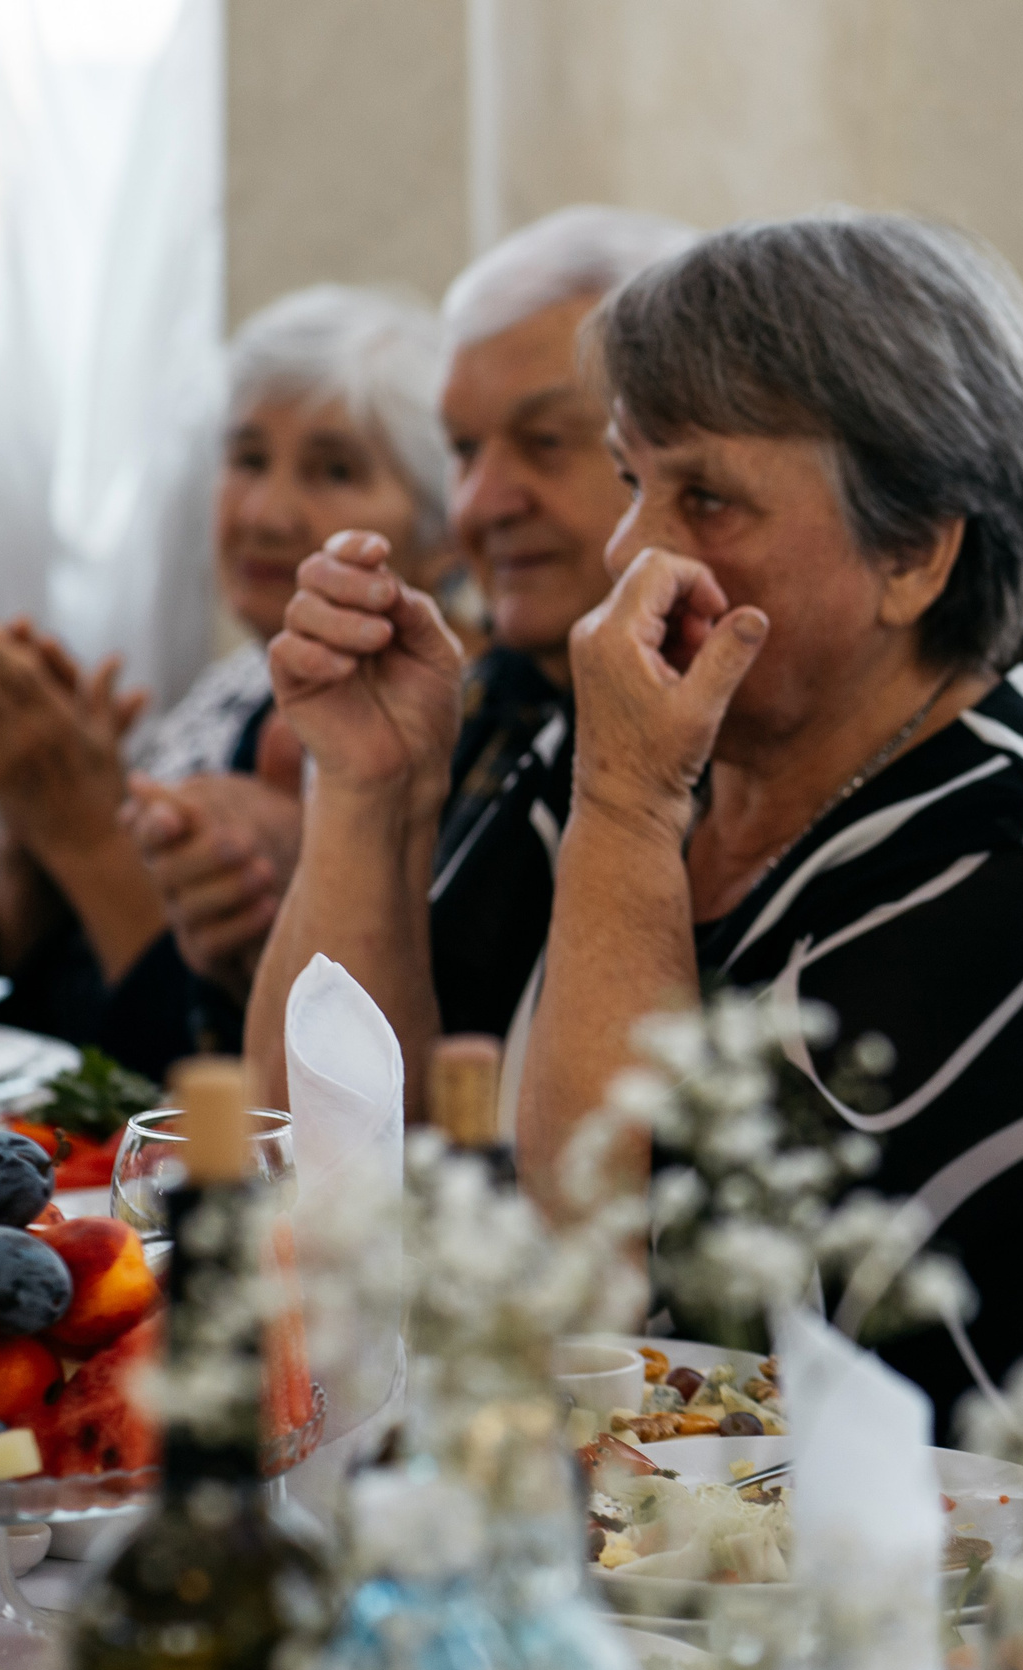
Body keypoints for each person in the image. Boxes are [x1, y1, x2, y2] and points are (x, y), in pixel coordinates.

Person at [265, 212, 1023, 1428]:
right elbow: (320, 1166)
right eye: (633, 482)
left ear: (915, 554)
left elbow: (628, 1320)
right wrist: (369, 792)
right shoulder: (655, 739)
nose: (631, 548)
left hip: (957, 1519)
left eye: (706, 497)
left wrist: (627, 809)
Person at [243, 206, 695, 1120]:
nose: (483, 503)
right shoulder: (495, 699)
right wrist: (363, 789)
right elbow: (305, 1132)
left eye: (546, 442)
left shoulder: (718, 740)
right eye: (462, 451)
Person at [0, 284, 451, 1074]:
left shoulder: (430, 736)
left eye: (334, 470)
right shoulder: (233, 689)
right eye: (248, 458)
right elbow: (62, 1012)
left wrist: (86, 838)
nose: (264, 512)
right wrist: (34, 858)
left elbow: (215, 1074)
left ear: (443, 531)